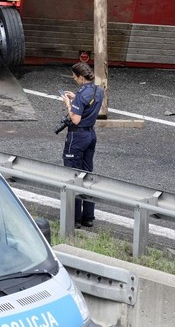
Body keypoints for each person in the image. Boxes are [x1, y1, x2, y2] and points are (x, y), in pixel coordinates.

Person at [60, 62, 104, 228]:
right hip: (91, 135)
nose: (74, 79)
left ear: (80, 76)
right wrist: (76, 98)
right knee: (87, 175)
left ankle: (74, 219)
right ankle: (88, 217)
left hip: (77, 137)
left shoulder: (81, 94)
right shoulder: (98, 90)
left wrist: (68, 103)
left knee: (73, 176)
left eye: (74, 77)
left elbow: (75, 119)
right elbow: (88, 104)